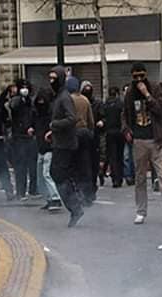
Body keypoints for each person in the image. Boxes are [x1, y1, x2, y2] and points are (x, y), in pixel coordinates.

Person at [122, 63, 162, 225]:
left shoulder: (155, 88)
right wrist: (126, 129)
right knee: (140, 177)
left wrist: (147, 95)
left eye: (142, 76)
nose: (139, 80)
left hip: (155, 139)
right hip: (139, 139)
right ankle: (141, 211)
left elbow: (161, 111)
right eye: (135, 77)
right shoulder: (129, 93)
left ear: (146, 75)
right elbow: (125, 114)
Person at [47, 66, 84, 227]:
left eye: (54, 78)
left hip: (65, 144)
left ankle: (75, 207)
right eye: (50, 78)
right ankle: (75, 204)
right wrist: (52, 131)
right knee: (58, 174)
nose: (51, 81)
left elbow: (72, 118)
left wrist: (54, 125)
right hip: (60, 142)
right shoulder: (58, 97)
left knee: (58, 174)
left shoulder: (64, 98)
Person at [33, 87, 62, 211]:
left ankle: (55, 198)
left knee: (46, 173)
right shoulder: (37, 113)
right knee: (40, 175)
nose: (41, 103)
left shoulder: (52, 113)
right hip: (41, 147)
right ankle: (49, 198)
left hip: (50, 147)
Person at [9, 79, 38, 200]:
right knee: (20, 166)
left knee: (32, 165)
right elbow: (13, 108)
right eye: (23, 87)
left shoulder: (30, 102)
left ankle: (32, 190)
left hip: (29, 137)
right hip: (19, 137)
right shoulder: (17, 101)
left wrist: (32, 127)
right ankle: (21, 191)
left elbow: (33, 116)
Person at [68, 77, 95, 205]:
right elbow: (91, 120)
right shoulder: (85, 100)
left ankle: (77, 193)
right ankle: (88, 195)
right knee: (85, 165)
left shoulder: (68, 100)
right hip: (84, 133)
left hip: (72, 133)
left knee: (73, 166)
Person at [80, 81, 105, 194]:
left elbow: (104, 116)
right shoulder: (79, 102)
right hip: (82, 138)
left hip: (94, 137)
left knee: (93, 163)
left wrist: (101, 122)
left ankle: (92, 186)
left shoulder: (97, 103)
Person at [104, 86, 124, 188]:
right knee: (120, 156)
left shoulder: (106, 105)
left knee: (112, 156)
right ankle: (119, 178)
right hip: (119, 132)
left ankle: (114, 178)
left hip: (109, 132)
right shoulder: (120, 104)